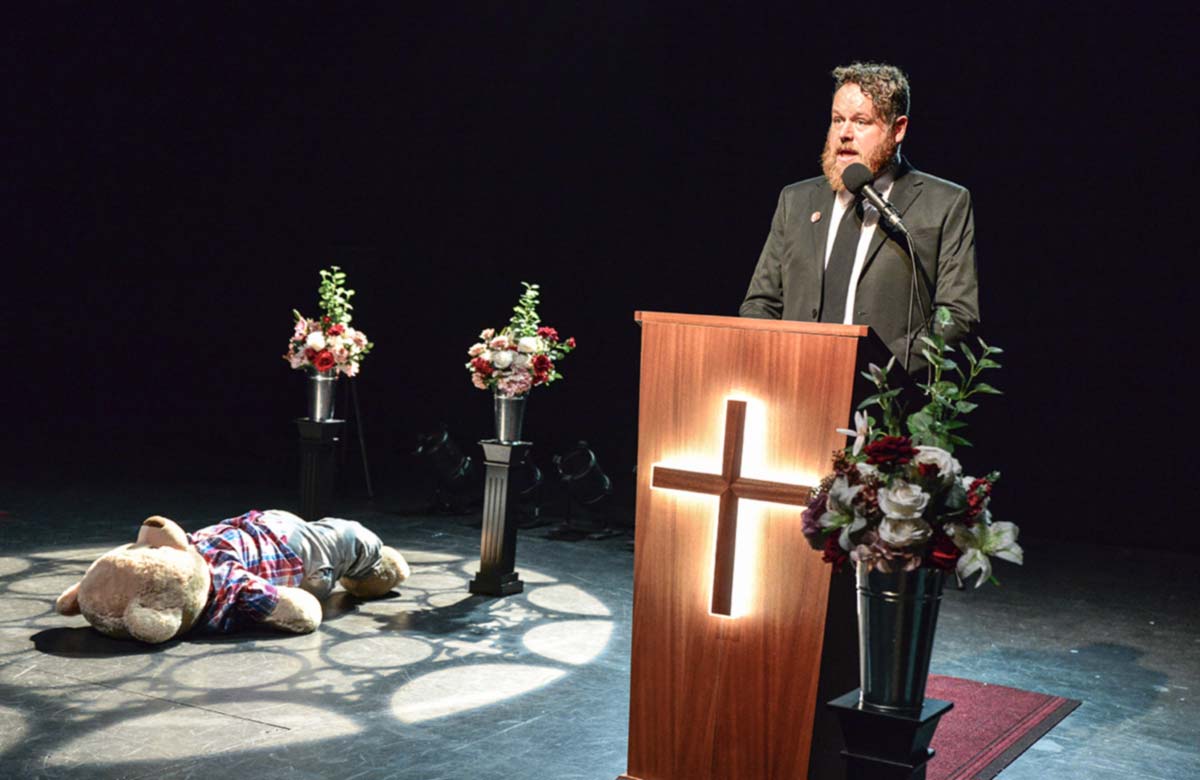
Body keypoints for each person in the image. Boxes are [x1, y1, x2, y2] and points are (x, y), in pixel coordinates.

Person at [740, 62, 979, 373]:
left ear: (899, 128)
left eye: (861, 121)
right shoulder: (796, 201)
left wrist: (878, 375)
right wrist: (778, 363)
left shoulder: (944, 203)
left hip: (885, 402)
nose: (844, 133)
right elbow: (761, 303)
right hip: (793, 389)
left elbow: (957, 314)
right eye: (837, 119)